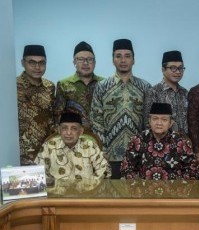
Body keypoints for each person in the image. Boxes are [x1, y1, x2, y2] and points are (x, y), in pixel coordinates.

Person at [90, 39, 151, 179]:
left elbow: (148, 121)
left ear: (133, 60)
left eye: (127, 56)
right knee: (111, 197)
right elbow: (96, 119)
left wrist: (144, 149)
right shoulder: (102, 86)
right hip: (109, 155)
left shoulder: (145, 87)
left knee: (134, 197)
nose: (123, 60)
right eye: (118, 56)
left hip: (138, 154)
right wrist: (103, 149)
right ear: (113, 60)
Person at [121, 103, 199, 180]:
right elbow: (126, 168)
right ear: (149, 121)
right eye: (155, 119)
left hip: (174, 191)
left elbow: (193, 169)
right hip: (144, 191)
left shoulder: (181, 142)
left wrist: (178, 188)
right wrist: (139, 187)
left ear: (170, 123)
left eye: (164, 119)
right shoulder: (138, 140)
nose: (159, 123)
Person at [35, 112, 111, 180]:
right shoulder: (49, 146)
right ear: (59, 130)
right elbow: (38, 171)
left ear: (81, 131)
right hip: (57, 193)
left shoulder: (90, 146)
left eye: (74, 129)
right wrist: (52, 188)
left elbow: (104, 169)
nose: (68, 133)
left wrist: (90, 187)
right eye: (64, 128)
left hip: (86, 193)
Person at [17, 44, 55, 165]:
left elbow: (52, 116)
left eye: (42, 63)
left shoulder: (50, 86)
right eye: (32, 62)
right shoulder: (13, 86)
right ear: (23, 63)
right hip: (21, 151)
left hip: (46, 150)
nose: (37, 67)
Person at [54, 41, 103, 131]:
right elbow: (58, 116)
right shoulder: (64, 84)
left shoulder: (104, 83)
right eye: (80, 59)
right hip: (74, 138)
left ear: (95, 62)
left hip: (100, 137)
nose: (85, 63)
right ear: (74, 62)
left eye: (90, 59)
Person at [145, 50, 188, 134]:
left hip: (185, 144)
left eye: (180, 68)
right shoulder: (153, 92)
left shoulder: (185, 93)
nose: (178, 72)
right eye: (173, 68)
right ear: (163, 70)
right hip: (163, 145)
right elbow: (148, 124)